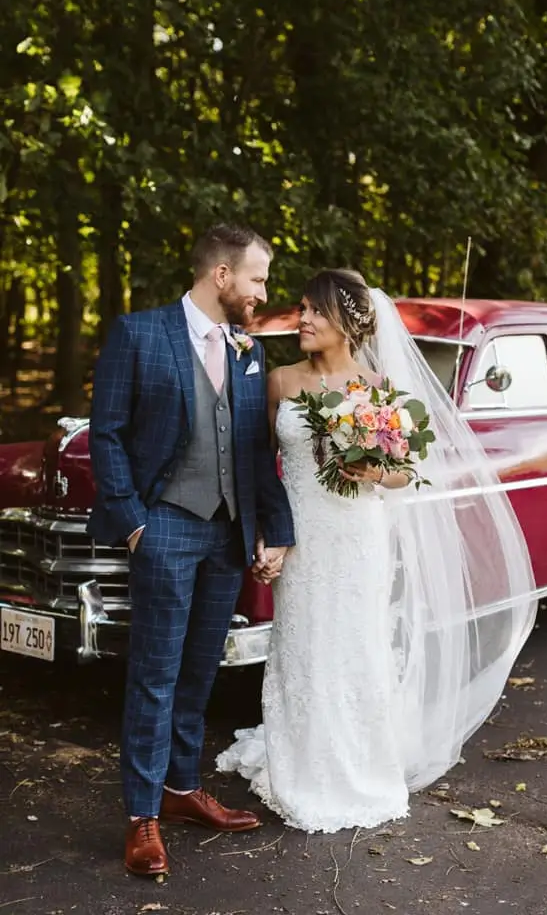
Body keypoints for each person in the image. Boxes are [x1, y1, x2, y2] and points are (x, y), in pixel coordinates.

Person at [218, 268, 538, 833]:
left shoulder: (378, 390)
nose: (304, 319)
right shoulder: (280, 381)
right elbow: (260, 472)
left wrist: (377, 468)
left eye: (316, 311)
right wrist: (270, 537)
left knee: (354, 646)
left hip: (356, 536)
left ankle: (358, 765)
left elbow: (404, 473)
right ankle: (301, 758)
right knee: (304, 644)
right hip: (303, 536)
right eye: (302, 308)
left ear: (349, 321)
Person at [88, 223, 295, 875]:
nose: (263, 292)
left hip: (226, 535)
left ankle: (181, 789)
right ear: (223, 276)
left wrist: (275, 529)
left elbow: (258, 452)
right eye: (258, 278)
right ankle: (142, 817)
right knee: (154, 674)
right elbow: (108, 434)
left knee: (200, 671)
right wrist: (134, 525)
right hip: (165, 527)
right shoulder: (139, 333)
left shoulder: (247, 350)